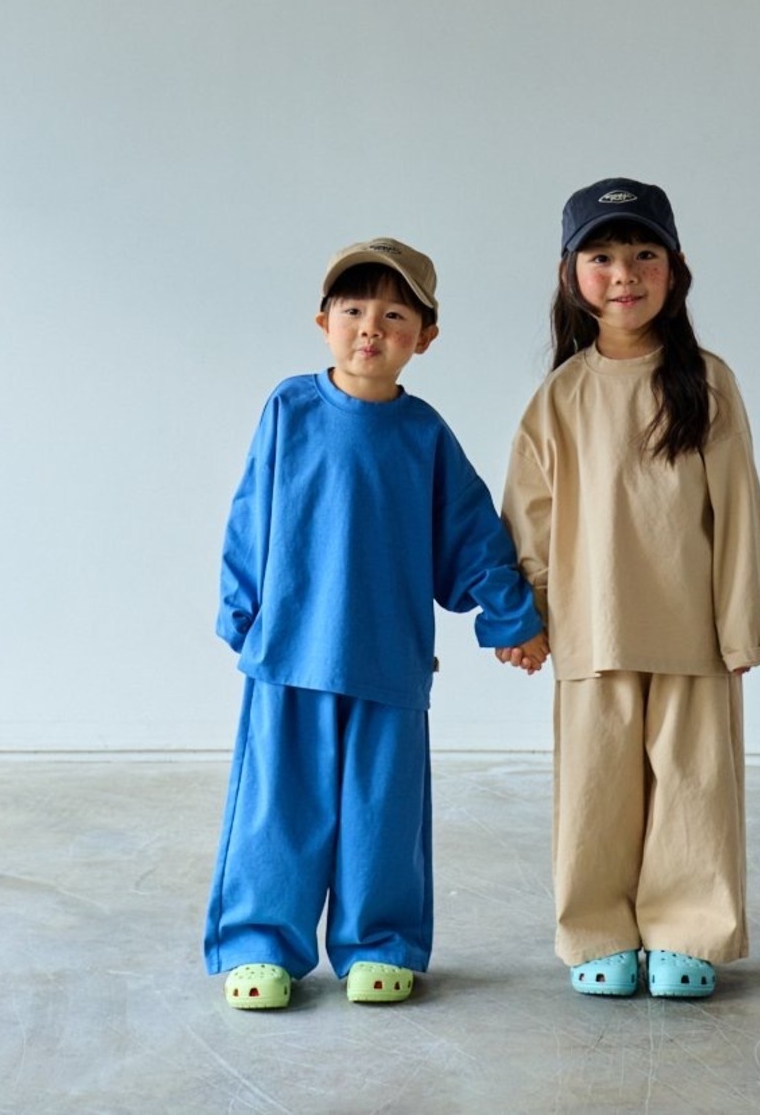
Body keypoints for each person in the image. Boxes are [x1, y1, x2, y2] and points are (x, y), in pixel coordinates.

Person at [205, 236, 548, 1011]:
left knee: (381, 816)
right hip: (289, 652)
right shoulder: (289, 409)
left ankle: (381, 942)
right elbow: (250, 510)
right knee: (275, 810)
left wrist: (512, 618)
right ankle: (261, 943)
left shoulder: (424, 435)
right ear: (323, 321)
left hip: (389, 661)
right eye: (354, 309)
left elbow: (474, 536)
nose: (371, 327)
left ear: (425, 336)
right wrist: (240, 607)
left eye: (394, 315)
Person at [500, 179, 760, 1000]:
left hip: (692, 631)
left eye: (644, 253)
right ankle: (599, 931)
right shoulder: (560, 395)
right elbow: (529, 517)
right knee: (595, 788)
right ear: (570, 275)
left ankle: (690, 929)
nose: (624, 273)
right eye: (603, 256)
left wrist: (741, 626)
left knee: (695, 788)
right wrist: (528, 616)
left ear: (676, 268)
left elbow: (741, 514)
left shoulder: (709, 382)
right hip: (592, 628)